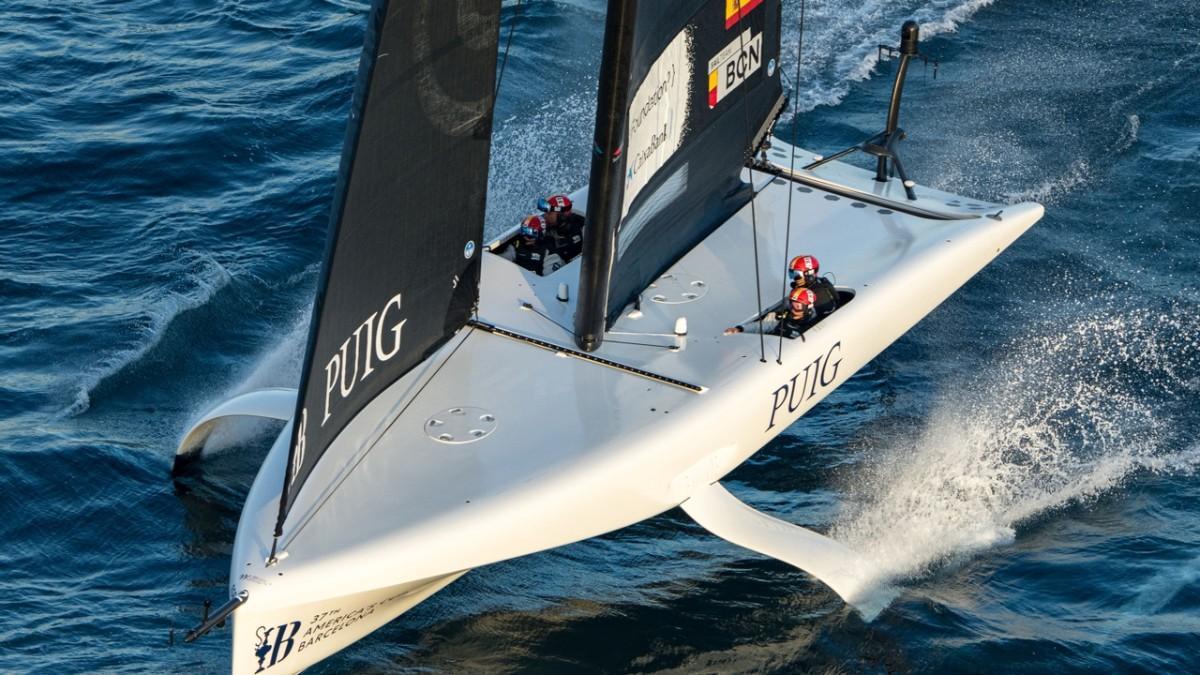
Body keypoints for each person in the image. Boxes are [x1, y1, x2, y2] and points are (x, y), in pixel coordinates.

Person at [725, 287, 817, 339]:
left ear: (808, 307)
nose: (793, 308)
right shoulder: (785, 319)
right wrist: (740, 329)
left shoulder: (814, 324)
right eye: (792, 304)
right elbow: (764, 326)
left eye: (798, 306)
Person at [539, 194, 585, 260]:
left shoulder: (581, 224)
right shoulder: (545, 231)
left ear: (561, 215)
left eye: (549, 213)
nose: (545, 216)